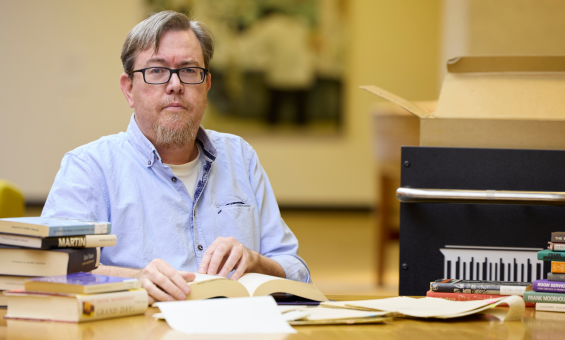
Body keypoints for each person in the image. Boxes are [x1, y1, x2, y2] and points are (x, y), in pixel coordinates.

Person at [41, 11, 310, 304]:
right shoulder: (89, 167)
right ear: (129, 89)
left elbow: (296, 270)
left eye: (189, 70)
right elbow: (51, 268)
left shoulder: (240, 157)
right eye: (156, 71)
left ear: (206, 86)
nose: (175, 85)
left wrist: (258, 262)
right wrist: (134, 279)